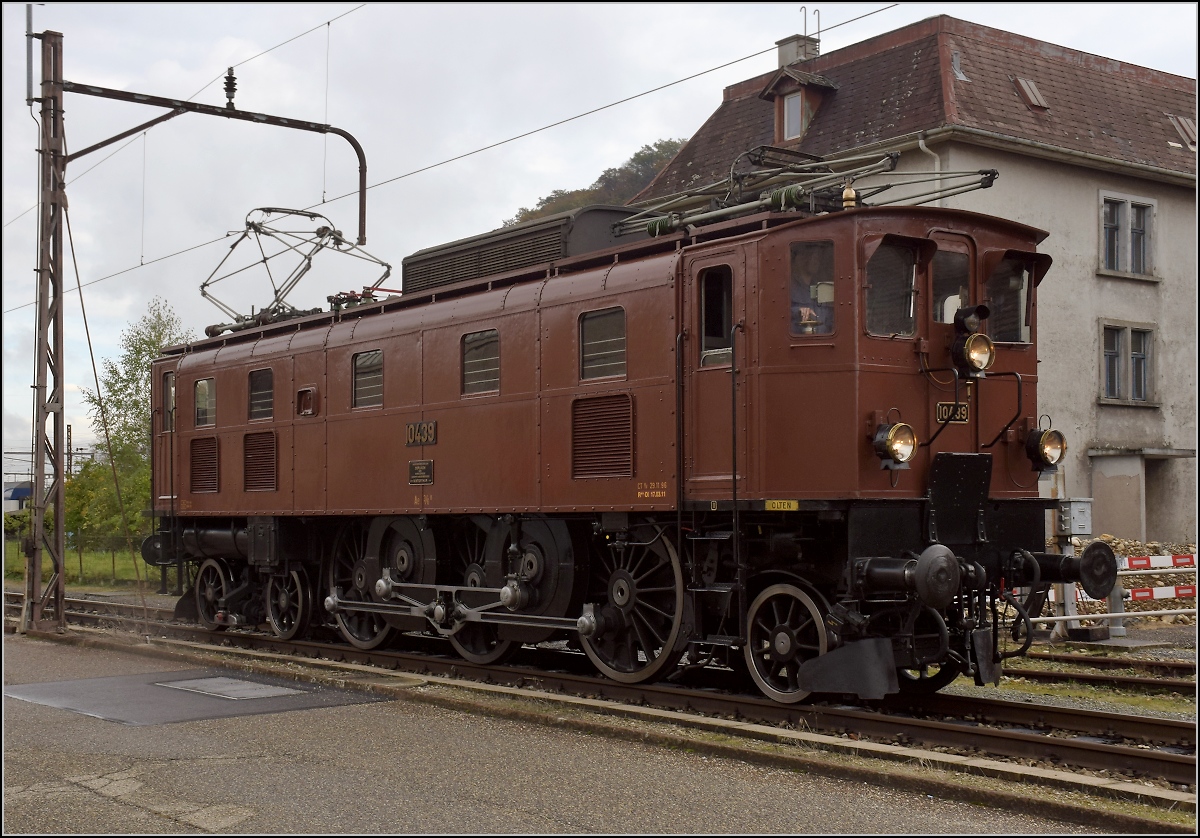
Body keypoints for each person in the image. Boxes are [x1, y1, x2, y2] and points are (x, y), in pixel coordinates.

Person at [790, 241, 835, 334]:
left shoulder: (822, 287)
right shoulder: (788, 287)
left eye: (818, 257)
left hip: (826, 343)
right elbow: (775, 313)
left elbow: (831, 318)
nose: (815, 260)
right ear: (800, 258)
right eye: (811, 255)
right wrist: (798, 311)